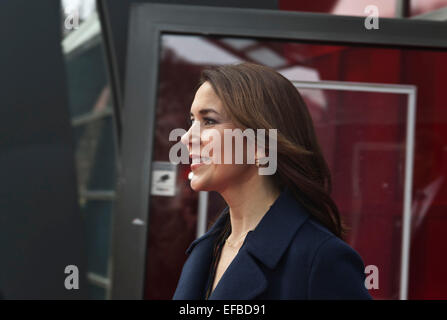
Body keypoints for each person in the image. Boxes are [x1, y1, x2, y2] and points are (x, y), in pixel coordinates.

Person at [172, 62, 372, 300]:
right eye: (192, 120)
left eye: (209, 121)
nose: (186, 138)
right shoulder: (206, 250)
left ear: (261, 145)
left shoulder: (320, 258)